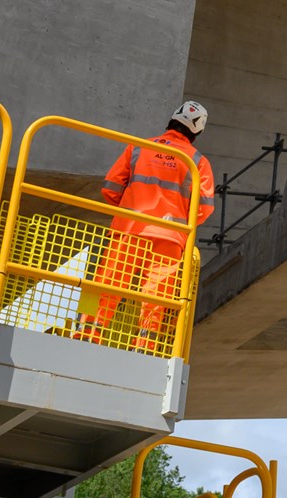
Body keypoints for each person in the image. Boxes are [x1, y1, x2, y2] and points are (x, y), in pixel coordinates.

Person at [77, 100, 215, 353]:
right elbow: (204, 208)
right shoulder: (198, 161)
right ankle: (145, 346)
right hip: (171, 237)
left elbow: (109, 188)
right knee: (156, 295)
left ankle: (86, 332)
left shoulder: (139, 148)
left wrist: (130, 209)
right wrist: (179, 223)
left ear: (172, 120)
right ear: (198, 132)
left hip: (129, 228)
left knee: (105, 282)